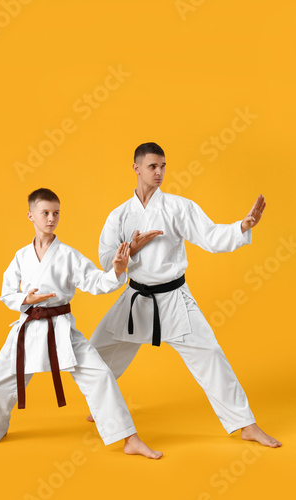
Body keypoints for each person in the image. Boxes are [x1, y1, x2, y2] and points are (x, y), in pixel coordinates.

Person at [88, 142, 281, 448]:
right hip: (136, 297)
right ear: (137, 168)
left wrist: (242, 227)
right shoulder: (120, 215)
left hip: (173, 298)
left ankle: (245, 424)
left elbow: (211, 236)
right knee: (94, 352)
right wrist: (131, 252)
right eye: (153, 166)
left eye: (163, 166)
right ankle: (103, 407)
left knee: (210, 355)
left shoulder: (178, 207)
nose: (160, 172)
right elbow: (106, 260)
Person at [0, 188, 163, 459]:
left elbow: (97, 283)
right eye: (45, 213)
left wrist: (117, 270)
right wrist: (25, 298)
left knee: (101, 376)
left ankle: (130, 439)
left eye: (56, 213)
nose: (51, 218)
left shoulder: (68, 255)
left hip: (61, 329)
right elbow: (6, 293)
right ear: (31, 215)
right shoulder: (21, 256)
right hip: (28, 328)